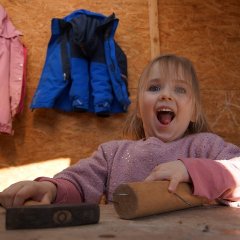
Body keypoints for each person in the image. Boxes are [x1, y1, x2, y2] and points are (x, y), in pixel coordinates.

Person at [0, 54, 240, 208]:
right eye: (155, 87)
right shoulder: (113, 154)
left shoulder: (205, 147)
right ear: (138, 110)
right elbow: (79, 183)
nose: (166, 95)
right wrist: (51, 189)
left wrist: (193, 170)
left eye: (180, 90)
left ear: (195, 113)